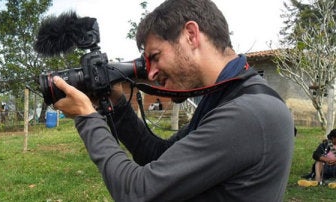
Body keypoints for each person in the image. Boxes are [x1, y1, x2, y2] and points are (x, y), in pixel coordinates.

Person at [53, 0, 294, 201]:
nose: (151, 73)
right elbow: (158, 155)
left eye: (155, 57)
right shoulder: (231, 96)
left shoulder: (247, 114)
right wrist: (116, 102)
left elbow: (137, 192)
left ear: (191, 35)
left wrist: (87, 118)